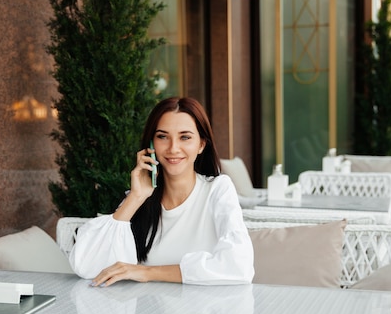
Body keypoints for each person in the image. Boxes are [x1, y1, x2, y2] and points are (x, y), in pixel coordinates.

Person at [69, 97, 254, 286]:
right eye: (162, 137)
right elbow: (87, 267)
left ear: (201, 145)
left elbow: (240, 267)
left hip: (203, 310)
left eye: (185, 137)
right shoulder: (140, 198)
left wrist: (148, 272)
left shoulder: (217, 189)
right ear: (151, 146)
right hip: (146, 311)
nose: (173, 148)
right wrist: (136, 197)